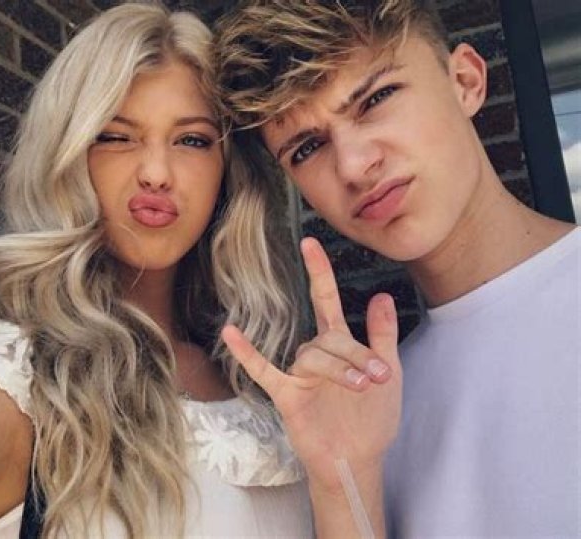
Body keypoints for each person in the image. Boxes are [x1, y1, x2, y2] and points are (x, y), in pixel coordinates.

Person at [0, 2, 403, 538]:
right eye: (116, 136)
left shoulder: (265, 376)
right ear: (67, 152)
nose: (156, 172)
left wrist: (347, 478)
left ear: (226, 171)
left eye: (192, 140)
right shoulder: (4, 375)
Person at [213, 0, 580, 537]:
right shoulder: (369, 407)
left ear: (465, 81)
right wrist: (345, 482)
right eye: (307, 148)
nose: (353, 166)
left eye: (375, 99)